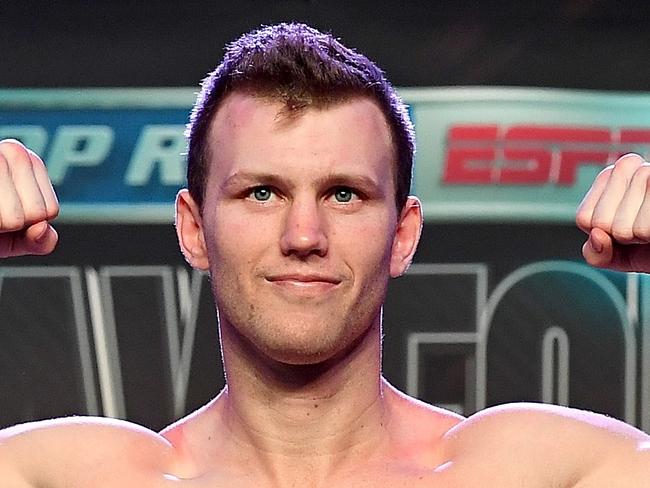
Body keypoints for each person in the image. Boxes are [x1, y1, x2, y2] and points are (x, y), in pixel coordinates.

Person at [0, 22, 648, 488]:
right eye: (261, 192)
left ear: (402, 235)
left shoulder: (539, 472)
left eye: (344, 193)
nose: (304, 235)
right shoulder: (68, 475)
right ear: (194, 230)